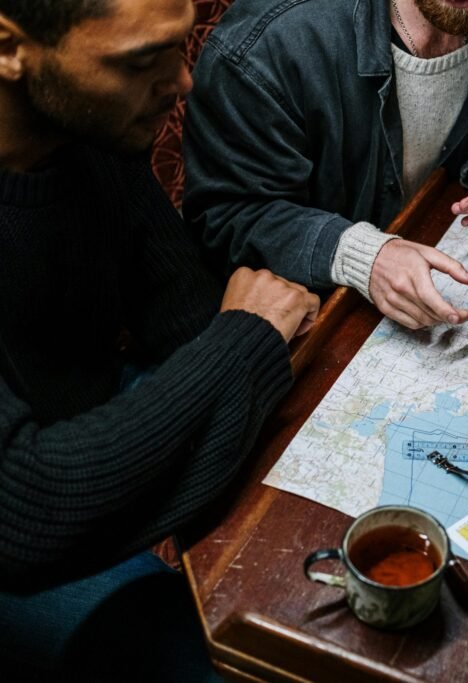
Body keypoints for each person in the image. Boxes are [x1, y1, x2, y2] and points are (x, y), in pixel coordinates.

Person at [0, 0, 320, 678]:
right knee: (230, 654)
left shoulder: (88, 126)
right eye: (143, 60)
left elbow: (188, 318)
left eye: (177, 45)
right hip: (19, 519)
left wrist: (241, 344)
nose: (183, 82)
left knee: (311, 470)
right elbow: (28, 512)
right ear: (8, 50)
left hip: (75, 429)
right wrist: (243, 340)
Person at [183, 0, 468, 331]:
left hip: (444, 266)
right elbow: (227, 217)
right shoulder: (272, 42)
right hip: (304, 320)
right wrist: (363, 256)